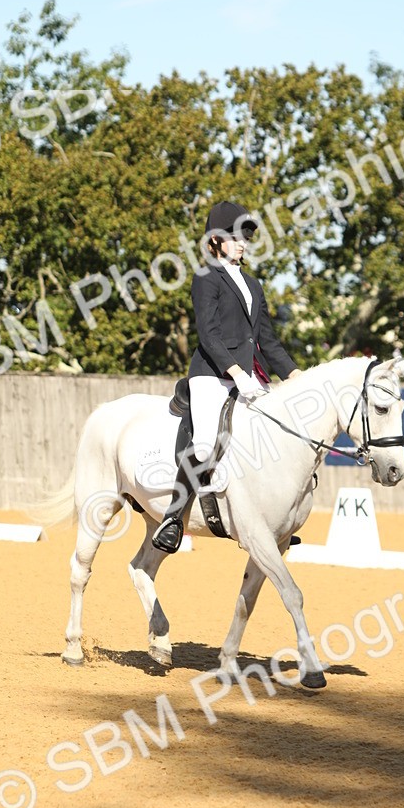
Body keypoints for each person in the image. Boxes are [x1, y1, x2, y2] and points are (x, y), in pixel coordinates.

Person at [152, 200, 301, 553]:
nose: (243, 243)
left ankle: (272, 514)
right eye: (235, 237)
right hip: (212, 376)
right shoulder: (206, 278)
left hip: (249, 375)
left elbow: (267, 340)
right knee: (205, 443)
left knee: (275, 434)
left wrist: (295, 375)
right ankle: (173, 519)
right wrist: (235, 370)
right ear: (215, 241)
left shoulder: (253, 285)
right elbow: (209, 333)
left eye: (245, 237)